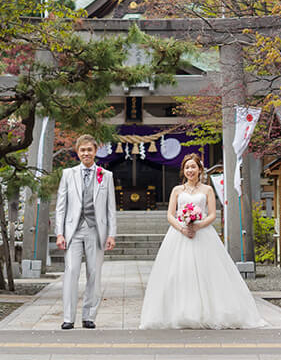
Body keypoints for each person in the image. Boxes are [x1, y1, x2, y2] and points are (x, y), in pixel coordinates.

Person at [139, 152, 265, 329]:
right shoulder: (177, 190)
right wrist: (182, 228)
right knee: (179, 273)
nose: (190, 170)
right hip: (179, 234)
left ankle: (209, 312)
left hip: (203, 233)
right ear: (183, 170)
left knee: (208, 273)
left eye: (193, 167)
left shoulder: (207, 190)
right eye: (187, 167)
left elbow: (212, 214)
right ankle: (181, 312)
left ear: (200, 170)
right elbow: (170, 214)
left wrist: (197, 226)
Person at [54, 134, 117, 330]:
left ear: (95, 151)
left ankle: (89, 316)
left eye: (89, 150)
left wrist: (111, 234)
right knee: (71, 271)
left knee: (94, 273)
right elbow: (61, 206)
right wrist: (59, 233)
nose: (86, 153)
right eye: (82, 150)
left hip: (96, 230)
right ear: (77, 152)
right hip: (73, 230)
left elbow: (110, 208)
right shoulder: (68, 174)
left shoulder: (106, 176)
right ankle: (68, 317)